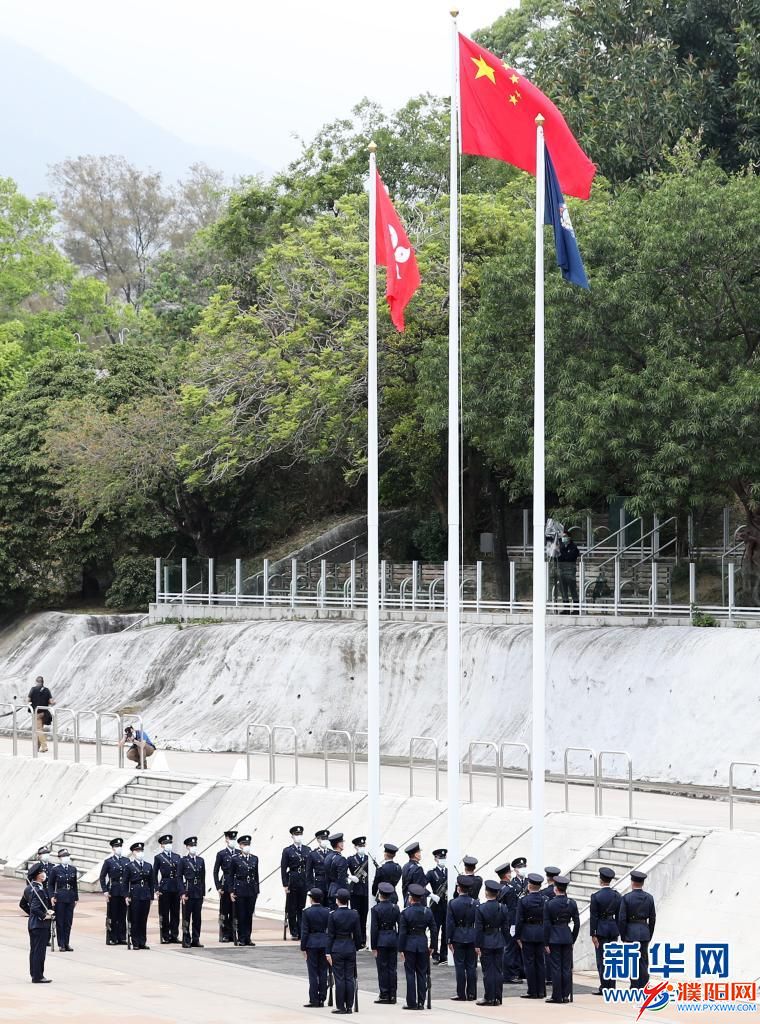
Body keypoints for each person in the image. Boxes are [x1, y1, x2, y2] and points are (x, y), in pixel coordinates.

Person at [398, 882, 436, 1010]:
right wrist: (432, 946)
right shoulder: (427, 911)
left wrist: (401, 949)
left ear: (410, 898)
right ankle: (421, 1002)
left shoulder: (405, 913)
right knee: (421, 974)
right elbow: (434, 929)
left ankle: (411, 1002)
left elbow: (402, 933)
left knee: (410, 974)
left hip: (409, 945)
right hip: (422, 944)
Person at [543, 874, 580, 1004]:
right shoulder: (572, 903)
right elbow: (577, 923)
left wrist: (546, 942)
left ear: (555, 888)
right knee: (566, 968)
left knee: (556, 968)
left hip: (554, 937)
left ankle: (557, 995)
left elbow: (546, 925)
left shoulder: (549, 904)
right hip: (567, 936)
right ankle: (565, 995)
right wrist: (573, 938)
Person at [618, 870, 656, 989]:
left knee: (632, 961)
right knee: (644, 960)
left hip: (630, 933)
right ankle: (644, 985)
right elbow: (653, 918)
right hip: (644, 932)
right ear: (642, 883)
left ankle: (634, 985)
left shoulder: (626, 898)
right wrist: (649, 934)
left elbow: (622, 919)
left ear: (632, 882)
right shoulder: (649, 898)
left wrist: (623, 935)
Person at [327, 887, 361, 1015]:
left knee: (340, 978)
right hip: (350, 947)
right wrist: (355, 947)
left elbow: (330, 936)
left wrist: (328, 951)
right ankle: (349, 1006)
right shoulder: (354, 914)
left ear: (337, 900)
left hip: (337, 948)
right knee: (349, 978)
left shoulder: (333, 915)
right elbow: (358, 934)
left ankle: (340, 1006)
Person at [475, 878, 509, 1006]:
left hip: (486, 941)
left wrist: (477, 944)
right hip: (499, 940)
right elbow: (505, 927)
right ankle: (498, 997)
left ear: (486, 892)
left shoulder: (481, 908)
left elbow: (478, 929)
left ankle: (489, 997)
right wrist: (505, 940)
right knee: (498, 970)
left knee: (488, 971)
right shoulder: (503, 907)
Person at [515, 873, 546, 1000]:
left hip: (527, 933)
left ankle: (532, 991)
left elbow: (519, 920)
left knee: (529, 963)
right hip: (541, 933)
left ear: (530, 885)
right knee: (540, 962)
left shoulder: (523, 900)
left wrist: (517, 936)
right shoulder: (545, 900)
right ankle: (541, 991)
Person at [446, 875, 478, 1002]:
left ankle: (461, 993)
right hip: (472, 935)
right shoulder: (475, 903)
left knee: (459, 966)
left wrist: (449, 939)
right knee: (471, 966)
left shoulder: (453, 903)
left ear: (459, 888)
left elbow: (450, 924)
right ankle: (472, 993)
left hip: (458, 936)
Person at [590, 866, 621, 994]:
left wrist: (593, 933)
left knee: (601, 959)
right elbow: (620, 916)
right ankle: (612, 986)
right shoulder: (617, 895)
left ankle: (604, 986)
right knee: (612, 958)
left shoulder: (596, 896)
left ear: (601, 880)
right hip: (613, 928)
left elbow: (594, 917)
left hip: (601, 929)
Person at [24, 862, 54, 982]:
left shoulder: (29, 888)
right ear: (39, 876)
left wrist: (33, 915)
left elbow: (24, 905)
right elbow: (34, 908)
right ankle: (38, 976)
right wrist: (44, 916)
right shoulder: (38, 890)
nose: (44, 874)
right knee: (39, 952)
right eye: (42, 872)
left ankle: (34, 974)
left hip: (33, 924)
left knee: (34, 951)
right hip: (40, 925)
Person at [371, 881, 400, 1004]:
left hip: (381, 940)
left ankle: (384, 994)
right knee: (392, 969)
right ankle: (393, 995)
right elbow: (401, 925)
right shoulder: (395, 907)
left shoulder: (376, 909)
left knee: (382, 968)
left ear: (379, 894)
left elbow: (374, 929)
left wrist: (373, 946)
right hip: (393, 939)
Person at [301, 887, 330, 1007]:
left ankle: (314, 999)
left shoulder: (307, 912)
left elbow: (305, 932)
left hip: (311, 943)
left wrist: (303, 947)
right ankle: (322, 997)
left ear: (311, 899)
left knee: (313, 973)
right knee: (323, 971)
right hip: (324, 942)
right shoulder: (327, 911)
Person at [495, 863, 523, 984]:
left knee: (506, 948)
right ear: (507, 875)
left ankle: (506, 972)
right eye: (509, 873)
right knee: (510, 949)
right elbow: (512, 909)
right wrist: (513, 924)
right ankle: (509, 975)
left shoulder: (497, 887)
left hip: (500, 922)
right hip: (509, 922)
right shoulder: (510, 889)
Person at [230, 834, 259, 946]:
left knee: (249, 914)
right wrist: (232, 891)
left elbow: (256, 875)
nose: (247, 846)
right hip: (240, 888)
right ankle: (241, 938)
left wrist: (257, 890)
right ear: (240, 846)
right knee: (241, 914)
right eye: (245, 844)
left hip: (251, 889)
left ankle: (248, 937)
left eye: (248, 844)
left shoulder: (254, 858)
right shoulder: (235, 859)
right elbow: (231, 876)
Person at [281, 824, 309, 939]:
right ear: (292, 836)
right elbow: (283, 868)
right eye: (296, 834)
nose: (299, 836)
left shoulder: (307, 850)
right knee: (292, 907)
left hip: (303, 879)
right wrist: (285, 884)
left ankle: (301, 930)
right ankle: (294, 931)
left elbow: (309, 867)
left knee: (301, 907)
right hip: (292, 879)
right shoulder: (287, 851)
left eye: (300, 834)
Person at [100, 837, 129, 945]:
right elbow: (102, 877)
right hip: (114, 889)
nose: (119, 848)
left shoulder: (126, 860)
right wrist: (105, 890)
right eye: (117, 846)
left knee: (122, 914)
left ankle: (121, 937)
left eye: (120, 846)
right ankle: (112, 937)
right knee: (113, 914)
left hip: (123, 890)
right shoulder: (108, 862)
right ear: (113, 848)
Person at [153, 834, 182, 944]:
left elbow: (180, 873)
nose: (168, 845)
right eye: (166, 843)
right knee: (164, 913)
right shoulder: (159, 857)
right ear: (162, 845)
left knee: (175, 912)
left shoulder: (177, 856)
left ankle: (174, 935)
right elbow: (154, 874)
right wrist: (156, 888)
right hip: (165, 887)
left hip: (175, 886)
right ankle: (165, 935)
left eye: (170, 843)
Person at [126, 841, 154, 950]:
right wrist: (126, 896)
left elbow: (151, 882)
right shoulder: (130, 866)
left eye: (141, 851)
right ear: (133, 853)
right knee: (135, 919)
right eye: (138, 851)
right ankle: (135, 941)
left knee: (143, 919)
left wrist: (151, 896)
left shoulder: (148, 866)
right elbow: (125, 882)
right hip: (135, 894)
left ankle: (143, 941)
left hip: (145, 894)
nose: (140, 853)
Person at [49, 847, 78, 951]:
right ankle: (61, 944)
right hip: (60, 897)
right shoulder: (55, 870)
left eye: (67, 856)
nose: (67, 858)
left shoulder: (72, 869)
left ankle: (66, 943)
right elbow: (51, 884)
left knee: (68, 922)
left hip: (70, 897)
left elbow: (75, 885)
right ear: (60, 858)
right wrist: (52, 896)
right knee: (60, 921)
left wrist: (76, 898)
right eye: (64, 856)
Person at [179, 836, 205, 948]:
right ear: (187, 847)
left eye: (195, 845)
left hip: (198, 891)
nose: (194, 847)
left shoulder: (200, 860)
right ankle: (186, 939)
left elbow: (203, 877)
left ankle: (196, 938)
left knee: (197, 918)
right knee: (186, 917)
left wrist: (203, 893)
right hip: (188, 891)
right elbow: (179, 877)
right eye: (192, 846)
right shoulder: (183, 861)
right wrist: (182, 893)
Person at [213, 829, 238, 942]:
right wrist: (218, 886)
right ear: (226, 839)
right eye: (231, 839)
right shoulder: (221, 854)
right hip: (225, 883)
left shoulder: (238, 852)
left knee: (235, 911)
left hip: (236, 883)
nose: (233, 841)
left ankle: (233, 932)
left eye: (234, 839)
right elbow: (215, 871)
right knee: (224, 910)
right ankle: (225, 933)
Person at [425, 848, 448, 965]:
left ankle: (444, 955)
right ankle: (434, 952)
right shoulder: (431, 873)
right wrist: (431, 895)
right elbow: (421, 886)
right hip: (436, 906)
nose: (442, 860)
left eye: (444, 858)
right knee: (435, 930)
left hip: (447, 906)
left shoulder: (449, 872)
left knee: (446, 931)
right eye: (440, 858)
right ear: (435, 859)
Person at [346, 836, 370, 948]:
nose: (362, 848)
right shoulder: (351, 859)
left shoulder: (368, 859)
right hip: (355, 891)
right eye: (360, 846)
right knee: (355, 916)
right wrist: (350, 877)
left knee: (364, 917)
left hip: (365, 892)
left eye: (363, 846)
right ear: (355, 847)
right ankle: (356, 939)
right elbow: (342, 870)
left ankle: (363, 939)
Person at [28, 676, 54, 753]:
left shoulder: (33, 689)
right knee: (40, 730)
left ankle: (44, 746)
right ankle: (37, 747)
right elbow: (51, 701)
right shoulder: (46, 690)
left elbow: (28, 700)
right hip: (44, 713)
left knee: (38, 730)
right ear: (43, 682)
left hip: (37, 713)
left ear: (36, 682)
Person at [557, 532, 581, 612]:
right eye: (562, 536)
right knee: (563, 590)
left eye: (565, 536)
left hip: (570, 571)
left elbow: (569, 557)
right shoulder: (560, 546)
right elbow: (559, 558)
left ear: (569, 537)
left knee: (573, 589)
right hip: (562, 570)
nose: (563, 538)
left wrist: (562, 552)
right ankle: (566, 609)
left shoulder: (573, 547)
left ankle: (576, 609)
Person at [326, 833, 349, 911]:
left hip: (331, 890)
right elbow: (342, 879)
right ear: (339, 844)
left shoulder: (328, 857)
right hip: (340, 893)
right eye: (341, 842)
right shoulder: (341, 859)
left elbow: (327, 877)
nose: (343, 844)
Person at [401, 841, 427, 906]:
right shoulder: (418, 868)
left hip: (407, 900)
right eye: (419, 852)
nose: (420, 854)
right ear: (416, 855)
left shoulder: (405, 866)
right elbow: (420, 887)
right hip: (416, 902)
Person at [307, 828, 331, 895]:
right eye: (323, 838)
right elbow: (309, 873)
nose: (325, 840)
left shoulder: (332, 853)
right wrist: (310, 888)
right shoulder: (313, 854)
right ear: (318, 840)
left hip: (330, 884)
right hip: (319, 884)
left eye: (326, 838)